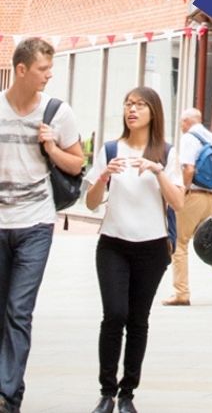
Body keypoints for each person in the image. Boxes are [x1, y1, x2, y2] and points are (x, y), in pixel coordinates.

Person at [84, 86, 184, 413]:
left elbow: (179, 202)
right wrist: (103, 178)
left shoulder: (166, 153)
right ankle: (106, 393)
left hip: (152, 248)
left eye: (140, 105)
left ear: (153, 112)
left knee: (138, 319)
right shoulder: (111, 149)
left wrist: (157, 171)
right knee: (114, 315)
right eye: (128, 104)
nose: (132, 110)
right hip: (113, 244)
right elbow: (91, 203)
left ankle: (128, 394)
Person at [0, 38, 83, 413]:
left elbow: (77, 165)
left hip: (35, 222)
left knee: (19, 309)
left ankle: (5, 393)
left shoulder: (57, 112)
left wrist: (51, 148)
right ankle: (9, 390)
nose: (49, 75)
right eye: (42, 69)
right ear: (21, 70)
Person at [163, 108, 212, 306]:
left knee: (180, 243)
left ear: (186, 122)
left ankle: (181, 292)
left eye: (181, 123)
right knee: (210, 245)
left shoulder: (189, 138)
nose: (181, 127)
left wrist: (183, 190)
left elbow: (188, 168)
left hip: (193, 197)